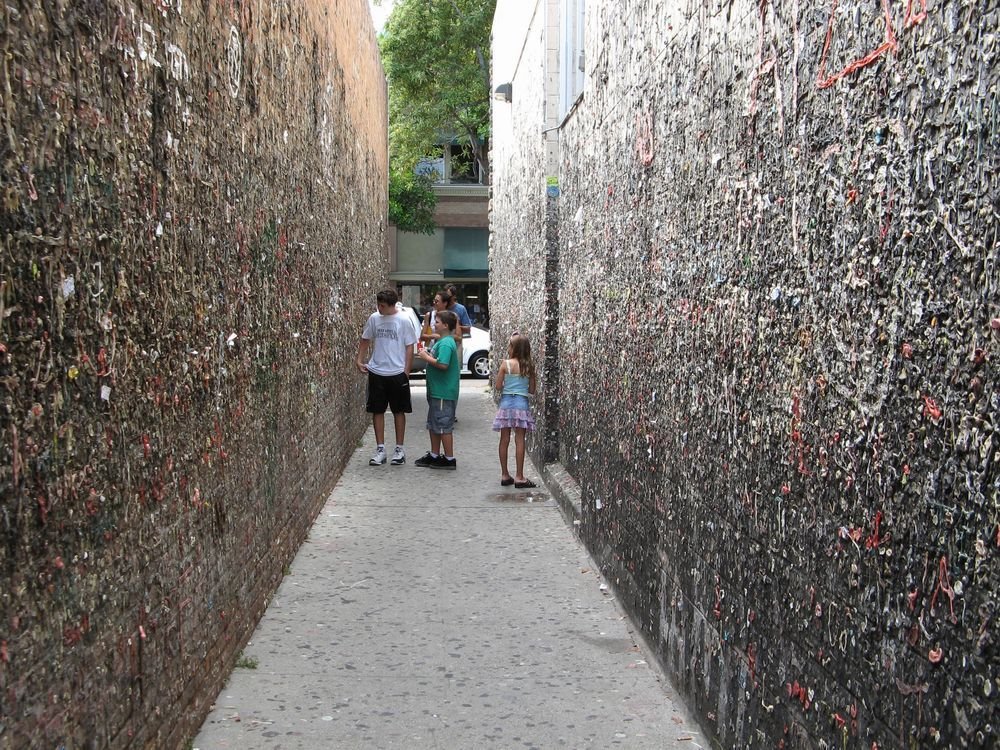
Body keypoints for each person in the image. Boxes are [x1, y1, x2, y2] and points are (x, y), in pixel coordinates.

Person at [355, 289, 418, 466]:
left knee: (399, 410)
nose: (379, 308)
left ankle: (399, 449)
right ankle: (380, 449)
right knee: (377, 410)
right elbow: (365, 338)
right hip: (377, 371)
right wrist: (359, 359)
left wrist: (406, 371)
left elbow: (409, 346)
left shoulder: (404, 320)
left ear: (391, 305)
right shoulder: (374, 318)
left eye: (382, 305)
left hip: (397, 372)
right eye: (378, 305)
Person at [414, 310, 460, 470]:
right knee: (434, 424)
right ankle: (434, 455)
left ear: (446, 326)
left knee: (443, 425)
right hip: (437, 391)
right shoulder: (442, 341)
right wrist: (427, 354)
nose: (434, 324)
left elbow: (443, 364)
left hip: (443, 392)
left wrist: (427, 358)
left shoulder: (446, 343)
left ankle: (449, 458)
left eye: (437, 322)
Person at [492, 333, 537, 488]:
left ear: (515, 349)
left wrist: (507, 385)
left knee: (504, 440)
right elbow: (532, 390)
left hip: (506, 405)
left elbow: (498, 386)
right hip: (521, 405)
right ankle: (519, 476)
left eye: (510, 345)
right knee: (519, 440)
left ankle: (505, 475)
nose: (508, 348)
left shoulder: (506, 364)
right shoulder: (529, 366)